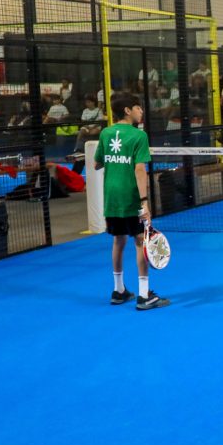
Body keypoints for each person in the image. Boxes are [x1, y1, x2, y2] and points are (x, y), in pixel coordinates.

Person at [93, 92, 168, 311]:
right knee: (140, 241)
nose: (141, 111)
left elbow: (97, 164)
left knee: (118, 240)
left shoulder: (106, 133)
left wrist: (115, 160)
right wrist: (144, 201)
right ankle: (144, 295)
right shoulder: (138, 136)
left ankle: (118, 291)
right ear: (127, 111)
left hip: (111, 197)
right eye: (138, 107)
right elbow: (139, 170)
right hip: (130, 197)